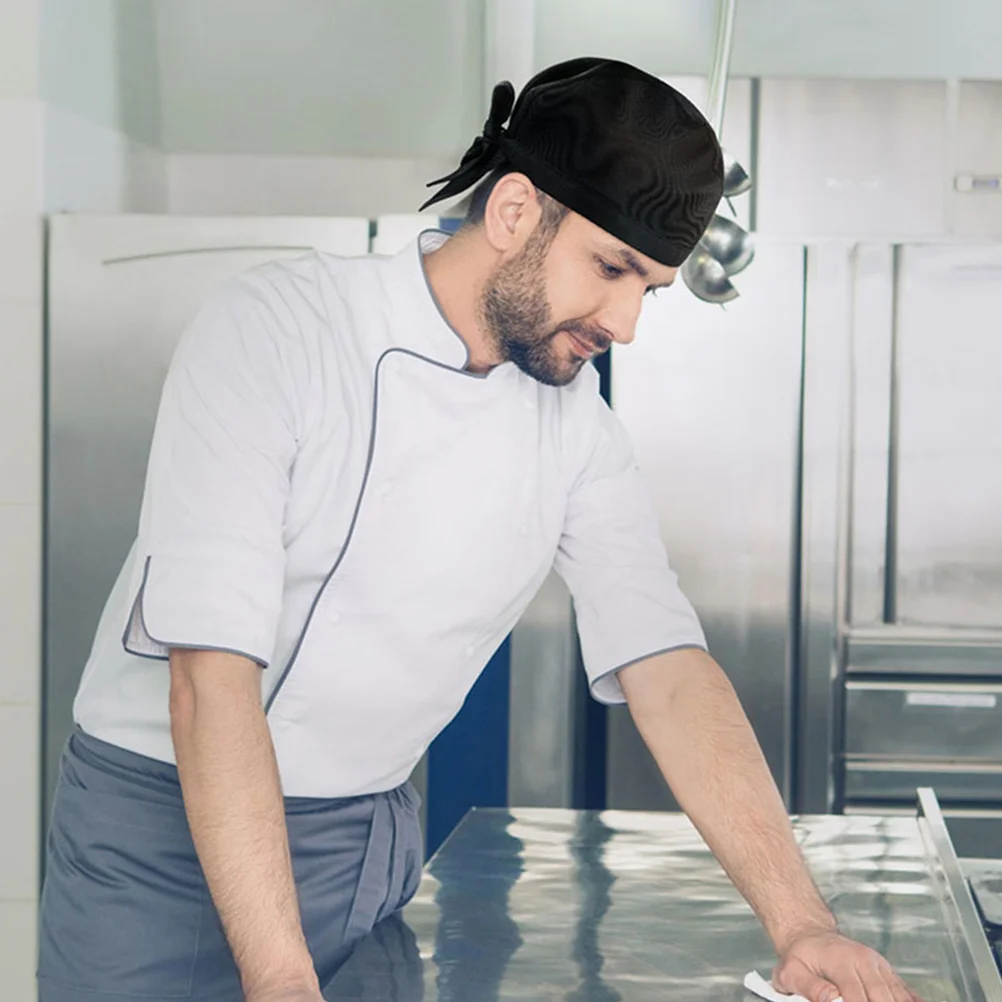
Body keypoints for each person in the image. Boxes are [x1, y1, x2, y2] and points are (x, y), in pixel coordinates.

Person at [38, 58, 921, 1002]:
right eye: (612, 267)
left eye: (651, 289)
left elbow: (667, 668)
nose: (625, 321)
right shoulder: (277, 330)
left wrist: (802, 923)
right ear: (512, 213)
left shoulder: (577, 428)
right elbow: (210, 675)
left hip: (361, 845)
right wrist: (283, 981)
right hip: (157, 840)